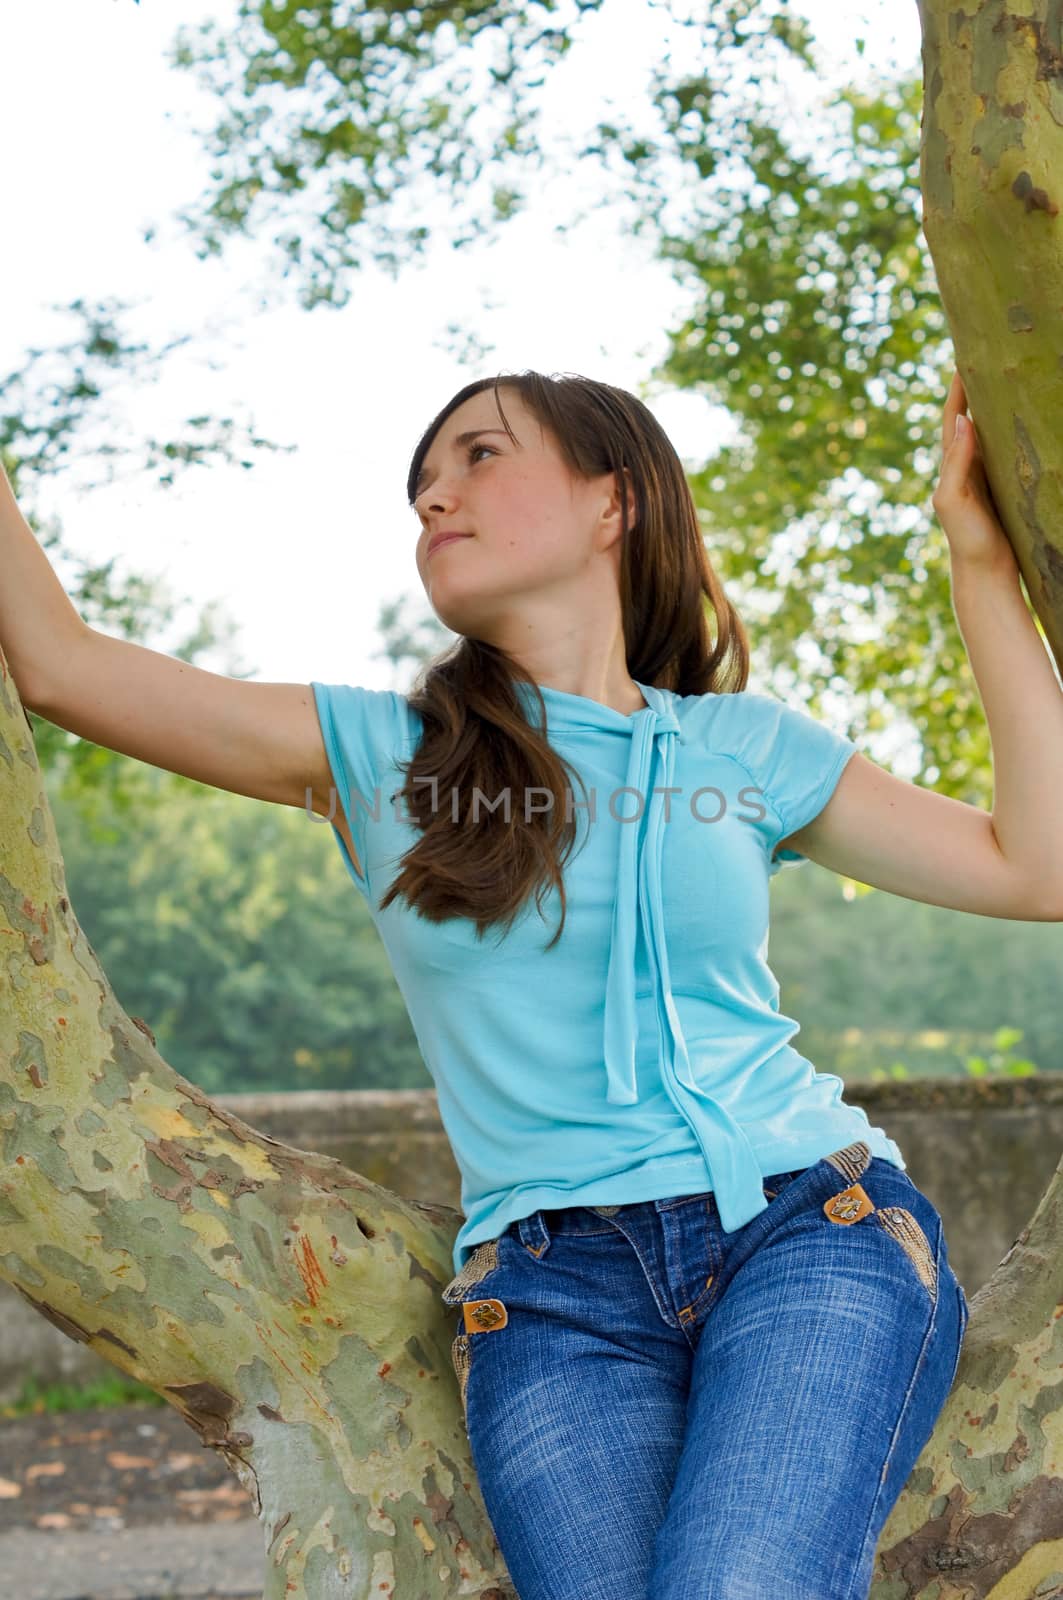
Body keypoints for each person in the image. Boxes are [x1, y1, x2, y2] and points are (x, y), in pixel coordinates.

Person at [1, 366, 1052, 1600]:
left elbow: (1031, 865)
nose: (433, 498)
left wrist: (977, 562)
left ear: (614, 502)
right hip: (550, 1294)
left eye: (477, 457)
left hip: (808, 1233)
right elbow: (60, 666)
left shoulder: (740, 746)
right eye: (419, 487)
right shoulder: (375, 750)